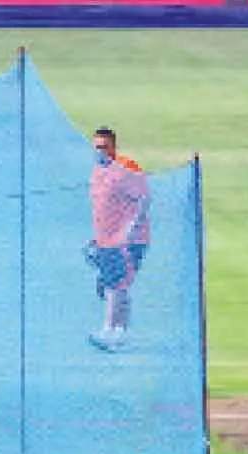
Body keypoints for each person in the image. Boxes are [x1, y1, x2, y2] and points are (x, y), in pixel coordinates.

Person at [87, 125, 150, 352]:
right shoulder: (96, 172)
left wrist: (132, 227)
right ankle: (120, 332)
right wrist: (96, 238)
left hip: (128, 240)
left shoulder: (126, 169)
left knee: (116, 284)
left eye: (104, 147)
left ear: (113, 147)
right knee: (117, 285)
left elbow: (144, 199)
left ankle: (109, 330)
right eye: (96, 147)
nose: (100, 151)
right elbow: (102, 207)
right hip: (106, 239)